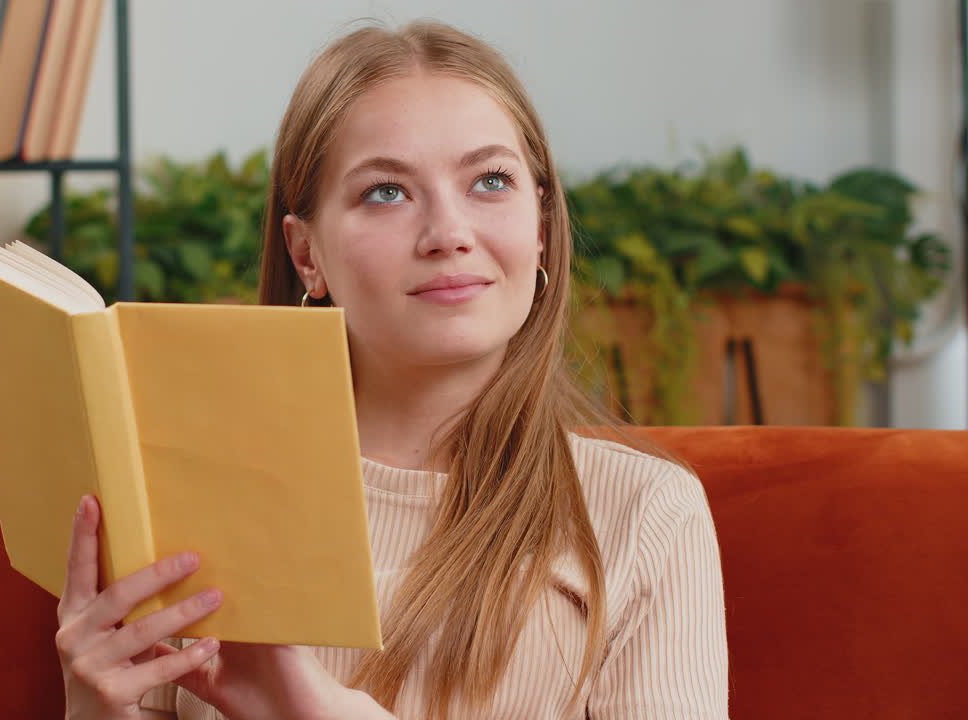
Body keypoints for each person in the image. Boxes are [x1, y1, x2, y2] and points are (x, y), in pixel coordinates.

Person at [54, 20, 728, 720]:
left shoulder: (647, 514)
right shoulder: (181, 499)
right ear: (306, 253)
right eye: (386, 192)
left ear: (543, 230)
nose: (449, 234)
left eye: (491, 181)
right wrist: (94, 708)